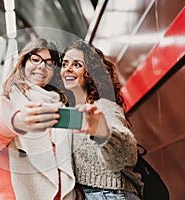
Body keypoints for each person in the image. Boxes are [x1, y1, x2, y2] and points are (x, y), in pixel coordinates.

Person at [0, 38, 75, 200]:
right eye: (35, 59)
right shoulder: (2, 105)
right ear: (23, 63)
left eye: (49, 63)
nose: (42, 66)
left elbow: (91, 129)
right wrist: (18, 122)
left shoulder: (61, 109)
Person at [60, 40, 143, 199]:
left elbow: (128, 153)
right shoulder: (68, 111)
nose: (68, 69)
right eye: (65, 64)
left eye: (77, 65)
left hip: (111, 194)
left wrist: (103, 133)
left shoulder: (104, 107)